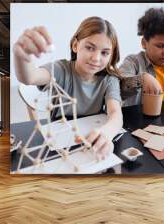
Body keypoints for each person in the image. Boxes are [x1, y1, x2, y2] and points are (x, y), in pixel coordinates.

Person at [13, 17, 123, 160]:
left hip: (92, 138)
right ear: (75, 45)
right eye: (90, 48)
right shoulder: (61, 70)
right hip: (59, 141)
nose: (96, 58)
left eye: (104, 53)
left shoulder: (110, 79)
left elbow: (115, 113)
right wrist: (22, 56)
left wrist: (107, 132)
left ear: (111, 55)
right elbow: (29, 77)